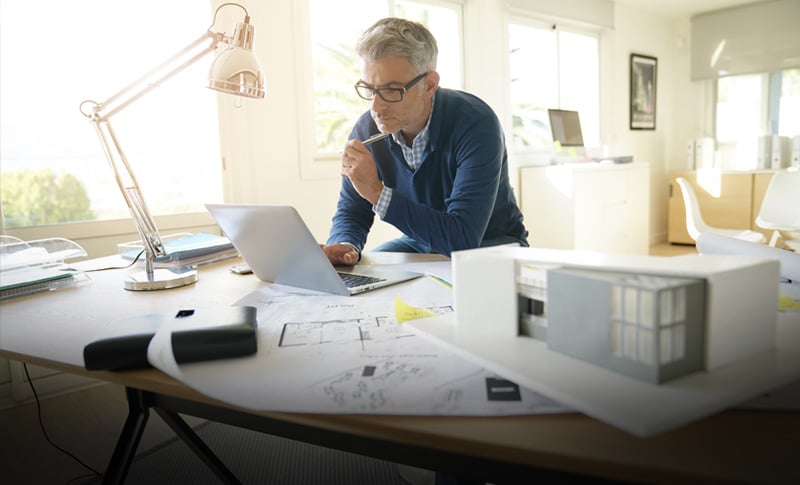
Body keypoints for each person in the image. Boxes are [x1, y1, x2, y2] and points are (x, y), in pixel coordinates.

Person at [322, 17, 528, 266]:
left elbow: (462, 240)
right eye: (368, 88)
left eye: (391, 90)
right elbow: (352, 211)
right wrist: (345, 246)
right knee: (369, 269)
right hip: (422, 242)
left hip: (492, 245)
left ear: (430, 85)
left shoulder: (476, 123)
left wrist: (377, 193)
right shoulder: (367, 127)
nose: (376, 106)